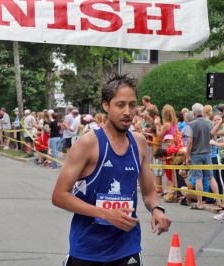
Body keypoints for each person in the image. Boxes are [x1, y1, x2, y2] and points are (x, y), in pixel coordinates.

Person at [52, 75, 170, 266]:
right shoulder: (89, 143)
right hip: (88, 251)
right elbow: (59, 196)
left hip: (127, 248)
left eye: (132, 105)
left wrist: (157, 209)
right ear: (106, 106)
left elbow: (148, 193)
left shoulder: (139, 143)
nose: (127, 112)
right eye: (120, 105)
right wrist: (106, 214)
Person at [186, 103, 221, 210]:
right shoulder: (209, 123)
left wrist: (187, 156)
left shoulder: (191, 124)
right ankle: (219, 201)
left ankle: (200, 203)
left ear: (194, 112)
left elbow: (190, 142)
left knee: (198, 178)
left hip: (196, 154)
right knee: (211, 177)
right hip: (208, 153)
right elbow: (214, 138)